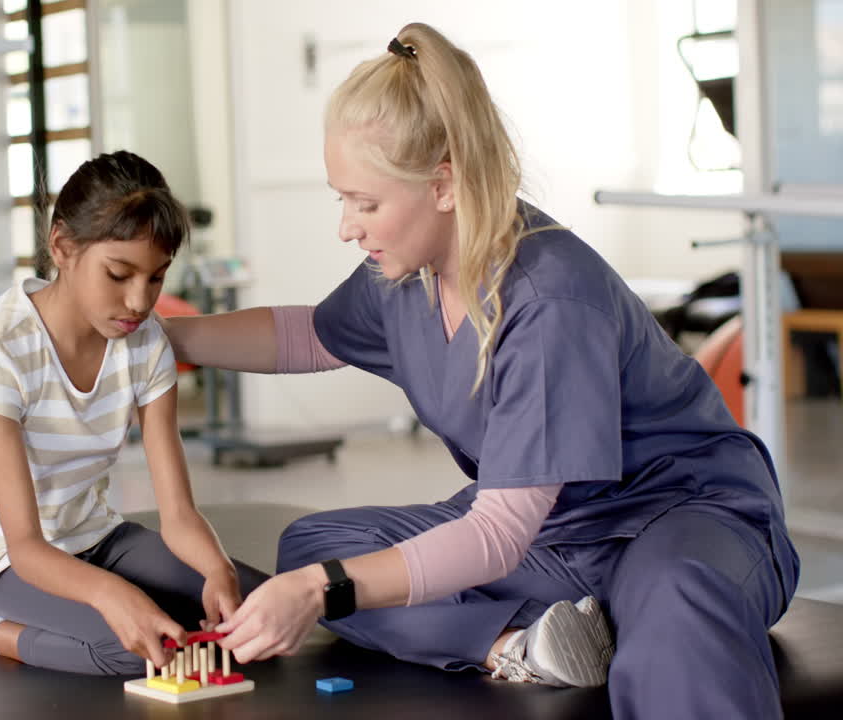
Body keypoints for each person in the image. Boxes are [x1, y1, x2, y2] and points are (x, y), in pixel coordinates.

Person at [161, 23, 798, 719]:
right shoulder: (406, 275)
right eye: (341, 198)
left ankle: (616, 620)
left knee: (674, 606)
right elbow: (310, 335)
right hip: (561, 536)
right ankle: (524, 641)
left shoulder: (549, 297)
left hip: (681, 518)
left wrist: (323, 591)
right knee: (315, 548)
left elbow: (496, 534)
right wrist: (165, 339)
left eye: (364, 203)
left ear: (444, 183)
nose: (347, 226)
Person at [0, 150, 267, 676]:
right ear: (62, 247)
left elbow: (177, 515)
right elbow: (27, 547)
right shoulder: (2, 347)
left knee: (260, 608)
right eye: (119, 274)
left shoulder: (145, 344)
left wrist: (216, 570)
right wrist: (114, 596)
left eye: (155, 278)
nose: (138, 301)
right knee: (134, 652)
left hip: (96, 537)